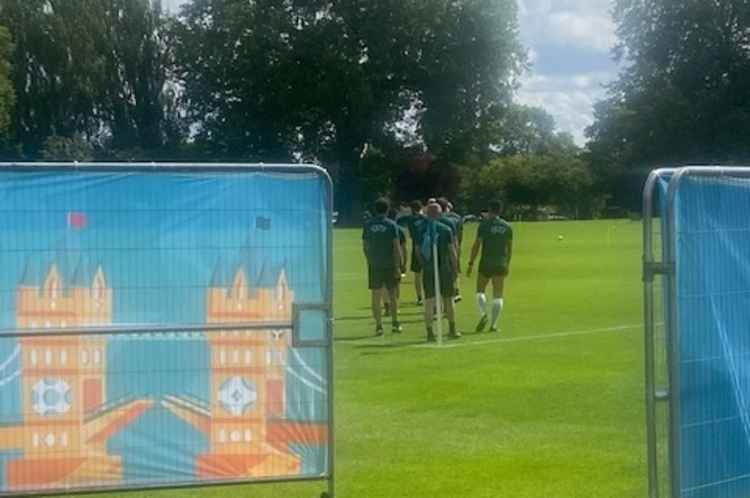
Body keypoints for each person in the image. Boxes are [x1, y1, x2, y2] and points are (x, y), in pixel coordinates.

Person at [466, 200, 513, 333]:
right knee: (498, 295)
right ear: (500, 211)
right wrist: (507, 264)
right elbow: (509, 249)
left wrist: (471, 263)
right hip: (501, 263)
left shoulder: (484, 225)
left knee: (480, 291)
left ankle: (483, 314)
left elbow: (477, 245)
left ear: (489, 210)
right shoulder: (507, 227)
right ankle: (493, 325)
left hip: (486, 262)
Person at [419, 202, 460, 342]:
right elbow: (452, 251)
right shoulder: (446, 229)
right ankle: (452, 329)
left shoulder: (421, 229)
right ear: (439, 213)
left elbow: (418, 251)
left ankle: (430, 332)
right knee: (449, 299)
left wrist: (423, 265)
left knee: (429, 301)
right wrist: (455, 268)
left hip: (429, 269)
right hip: (445, 268)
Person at [363, 198, 403, 336]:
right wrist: (398, 265)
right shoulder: (392, 225)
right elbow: (396, 247)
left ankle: (379, 326)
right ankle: (395, 323)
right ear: (387, 209)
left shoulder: (368, 225)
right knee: (392, 295)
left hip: (375, 265)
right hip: (390, 264)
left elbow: (365, 246)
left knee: (376, 295)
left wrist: (370, 260)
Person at [436, 197, 463, 303]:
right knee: (454, 269)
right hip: (452, 247)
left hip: (440, 249)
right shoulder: (456, 218)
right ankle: (456, 290)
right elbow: (457, 237)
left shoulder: (434, 220)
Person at [404, 200, 428, 305]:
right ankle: (429, 295)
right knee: (428, 273)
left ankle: (419, 297)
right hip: (427, 247)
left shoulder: (410, 220)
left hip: (416, 247)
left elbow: (410, 235)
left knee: (417, 275)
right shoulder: (426, 219)